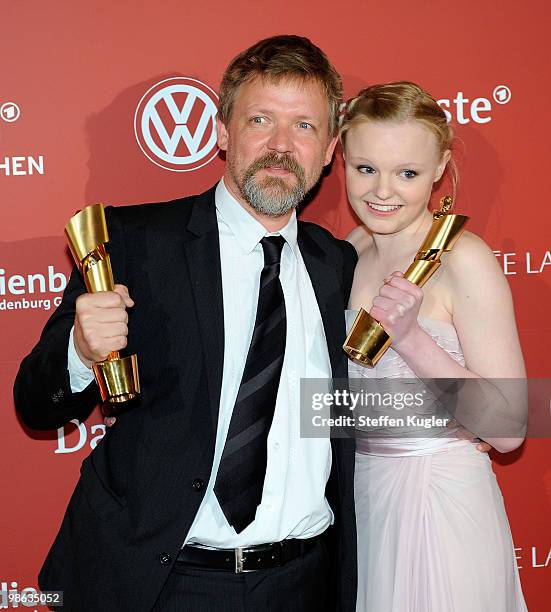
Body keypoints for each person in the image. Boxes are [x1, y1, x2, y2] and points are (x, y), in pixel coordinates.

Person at [13, 35, 358, 612]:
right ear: (222, 132)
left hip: (302, 582)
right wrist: (79, 349)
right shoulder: (133, 243)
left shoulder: (337, 264)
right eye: (261, 120)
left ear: (329, 150)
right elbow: (36, 403)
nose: (280, 145)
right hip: (162, 584)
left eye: (304, 126)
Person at [340, 82, 527, 611]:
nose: (382, 191)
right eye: (365, 168)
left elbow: (510, 428)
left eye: (407, 173)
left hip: (441, 502)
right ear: (341, 158)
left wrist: (413, 339)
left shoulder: (465, 259)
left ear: (440, 167)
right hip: (362, 499)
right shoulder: (347, 252)